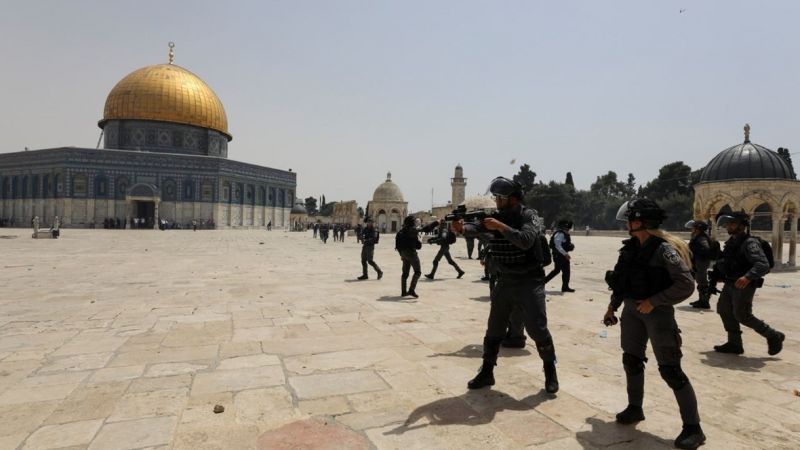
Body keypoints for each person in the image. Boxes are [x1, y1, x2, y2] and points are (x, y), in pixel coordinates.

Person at [603, 199, 705, 450]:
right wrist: (612, 307)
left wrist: (655, 301)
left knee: (671, 370)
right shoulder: (630, 248)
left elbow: (686, 284)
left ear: (639, 222)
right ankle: (635, 408)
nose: (627, 224)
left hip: (657, 314)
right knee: (631, 360)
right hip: (631, 312)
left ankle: (693, 428)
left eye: (630, 220)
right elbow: (621, 281)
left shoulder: (663, 249)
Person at [452, 177, 559, 394]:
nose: (496, 201)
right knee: (494, 328)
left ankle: (550, 371)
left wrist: (500, 227)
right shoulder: (495, 217)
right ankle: (487, 371)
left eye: (500, 197)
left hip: (530, 281)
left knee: (537, 329)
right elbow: (475, 228)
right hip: (506, 280)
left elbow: (526, 240)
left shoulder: (529, 216)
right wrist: (461, 228)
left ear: (512, 199)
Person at [710, 212, 785, 356]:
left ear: (742, 226)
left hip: (743, 285)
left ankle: (773, 335)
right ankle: (734, 343)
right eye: (728, 223)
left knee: (742, 315)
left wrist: (747, 277)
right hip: (730, 283)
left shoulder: (750, 243)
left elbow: (762, 264)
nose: (728, 226)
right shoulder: (732, 242)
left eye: (732, 223)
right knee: (724, 310)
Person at [685, 220, 715, 309]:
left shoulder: (702, 238)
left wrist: (695, 252)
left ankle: (704, 302)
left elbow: (705, 249)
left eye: (693, 228)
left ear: (698, 229)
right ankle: (701, 300)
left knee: (702, 281)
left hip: (701, 262)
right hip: (699, 261)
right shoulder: (699, 236)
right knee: (700, 280)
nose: (692, 229)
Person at [544, 219, 575, 292]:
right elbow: (558, 245)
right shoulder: (560, 234)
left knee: (566, 271)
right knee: (556, 270)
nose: (569, 229)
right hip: (559, 255)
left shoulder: (564, 233)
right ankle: (542, 283)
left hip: (562, 255)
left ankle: (565, 287)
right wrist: (566, 254)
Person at [395, 215, 422, 298]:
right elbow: (418, 246)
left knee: (405, 273)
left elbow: (397, 246)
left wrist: (402, 255)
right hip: (412, 254)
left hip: (404, 254)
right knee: (417, 272)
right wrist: (420, 239)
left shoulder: (400, 232)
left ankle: (403, 291)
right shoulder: (412, 232)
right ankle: (411, 290)